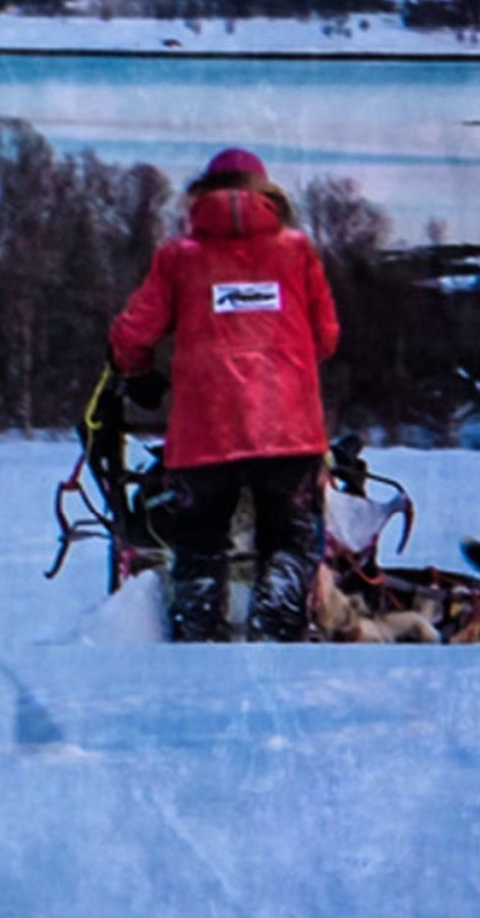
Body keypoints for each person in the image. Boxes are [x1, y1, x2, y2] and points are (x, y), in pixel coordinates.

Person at [109, 147, 341, 641]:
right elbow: (326, 336)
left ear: (203, 193)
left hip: (205, 432)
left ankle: (199, 639)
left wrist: (138, 372)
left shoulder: (179, 257)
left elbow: (132, 333)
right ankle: (277, 627)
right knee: (289, 540)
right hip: (288, 430)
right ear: (268, 195)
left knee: (198, 543)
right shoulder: (297, 251)